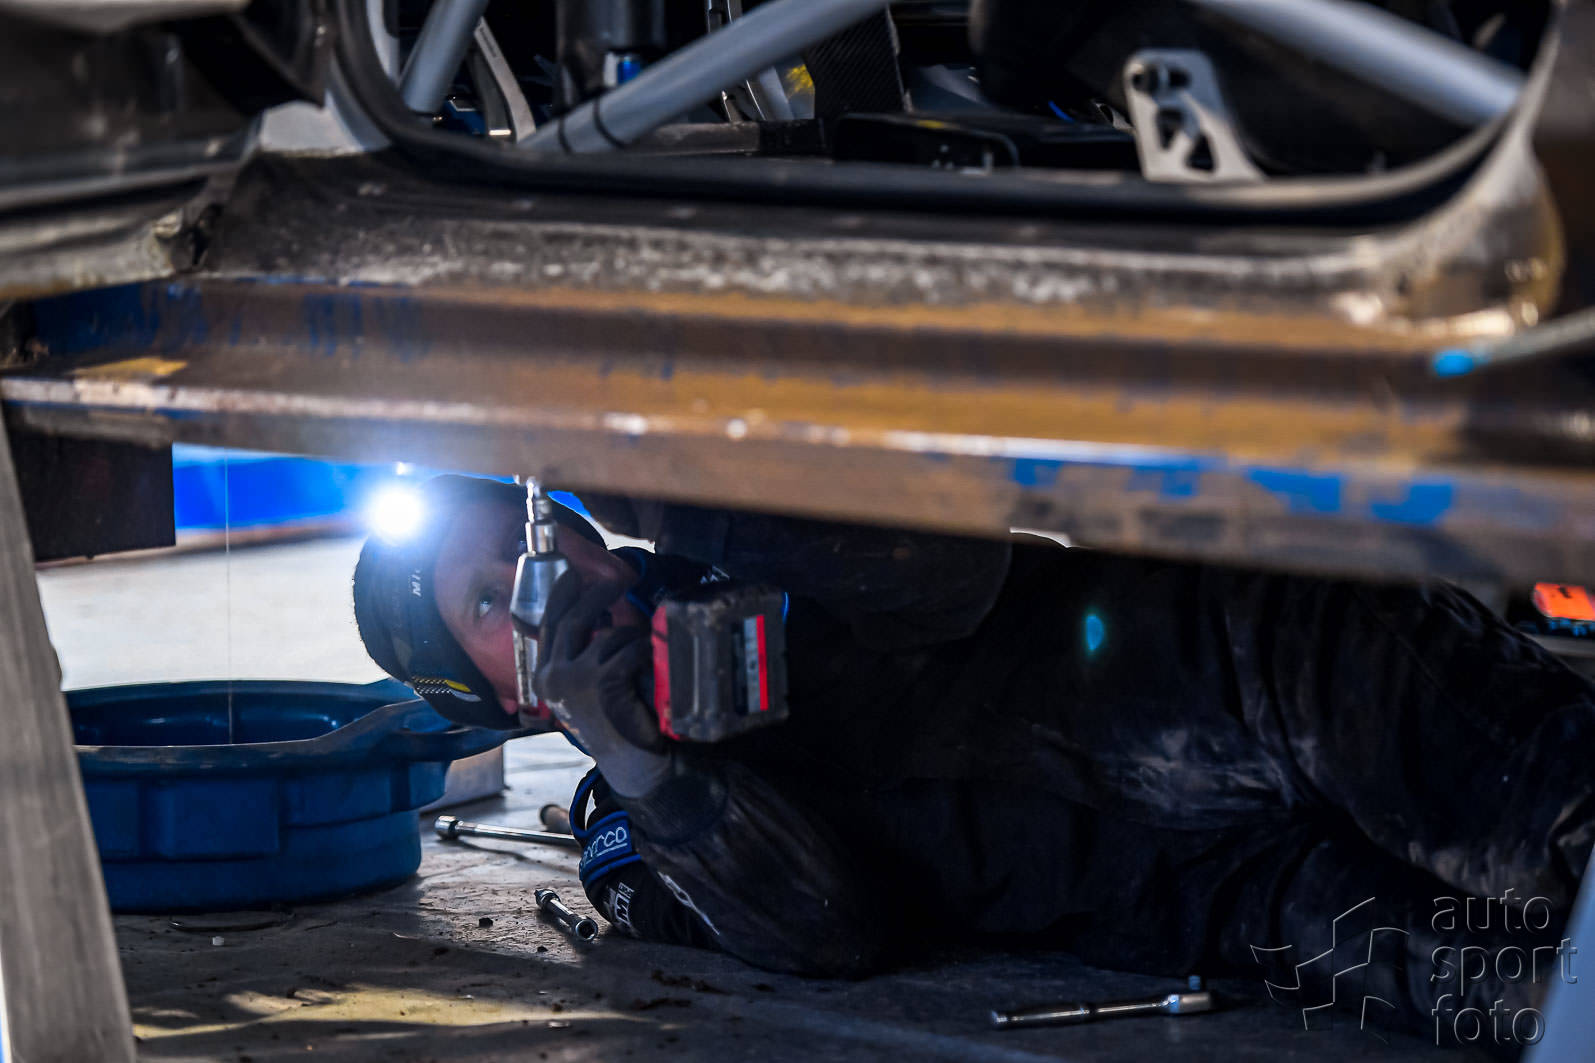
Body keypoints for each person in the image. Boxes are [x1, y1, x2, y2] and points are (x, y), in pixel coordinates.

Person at [354, 475, 1594, 1048]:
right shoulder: (633, 831)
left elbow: (949, 571)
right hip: (1229, 903)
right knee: (1540, 1002)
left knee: (1554, 822)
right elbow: (829, 932)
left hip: (1253, 666)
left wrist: (676, 493)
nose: (545, 579)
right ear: (501, 700)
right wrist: (645, 759)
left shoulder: (733, 525)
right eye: (492, 599)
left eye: (534, 538)